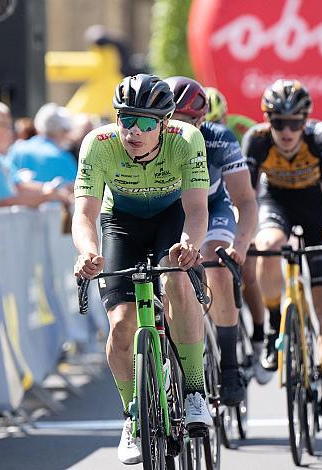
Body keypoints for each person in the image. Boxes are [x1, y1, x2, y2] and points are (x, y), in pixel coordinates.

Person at [72, 74, 212, 465]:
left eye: (147, 123)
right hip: (121, 223)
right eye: (126, 119)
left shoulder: (186, 139)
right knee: (122, 323)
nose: (134, 131)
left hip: (172, 217)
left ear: (164, 126)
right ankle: (133, 416)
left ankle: (195, 391)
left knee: (176, 283)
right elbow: (84, 212)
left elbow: (198, 209)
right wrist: (86, 251)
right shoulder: (98, 145)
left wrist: (190, 244)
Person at [242, 79, 322, 432]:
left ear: (306, 120)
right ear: (266, 120)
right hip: (277, 203)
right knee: (269, 246)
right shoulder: (256, 141)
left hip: (317, 208)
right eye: (278, 122)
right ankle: (276, 324)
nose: (287, 132)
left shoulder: (321, 136)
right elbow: (245, 194)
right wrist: (241, 236)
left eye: (294, 123)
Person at [165, 77, 261, 402]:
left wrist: (241, 246)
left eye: (184, 122)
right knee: (163, 279)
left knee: (218, 266)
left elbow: (246, 201)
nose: (173, 130)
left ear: (201, 120)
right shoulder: (149, 139)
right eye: (167, 120)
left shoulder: (218, 139)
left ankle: (230, 364)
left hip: (213, 206)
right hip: (169, 211)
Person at [203, 86, 270, 384]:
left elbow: (245, 192)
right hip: (197, 204)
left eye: (218, 120)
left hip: (230, 199)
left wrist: (244, 238)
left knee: (248, 271)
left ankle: (258, 339)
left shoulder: (239, 130)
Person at [0, 101, 69, 207]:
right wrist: (46, 196)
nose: (10, 132)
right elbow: (4, 201)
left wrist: (49, 191)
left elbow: (17, 186)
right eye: (6, 125)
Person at [7, 103, 77, 187]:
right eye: (67, 131)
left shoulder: (17, 149)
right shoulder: (63, 157)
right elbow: (75, 190)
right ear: (62, 131)